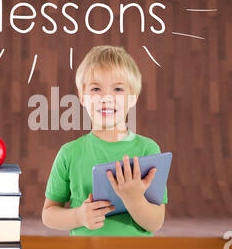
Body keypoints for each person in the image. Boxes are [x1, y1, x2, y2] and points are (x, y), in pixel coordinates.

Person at [42, 45, 167, 236]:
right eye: (96, 89)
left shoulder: (148, 150)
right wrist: (78, 217)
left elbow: (155, 223)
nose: (106, 98)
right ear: (82, 97)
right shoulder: (69, 153)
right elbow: (49, 215)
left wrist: (134, 199)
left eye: (117, 89)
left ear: (132, 98)